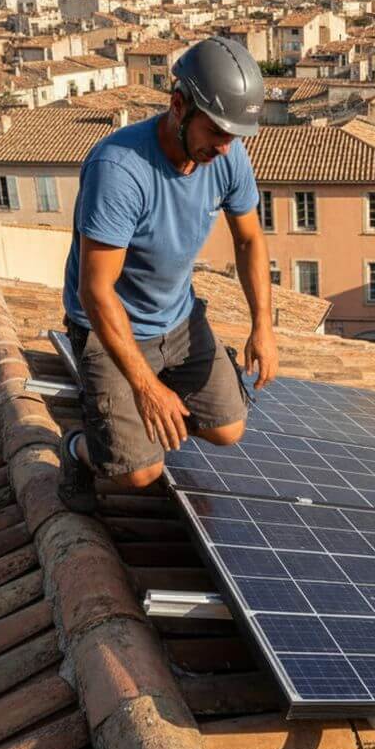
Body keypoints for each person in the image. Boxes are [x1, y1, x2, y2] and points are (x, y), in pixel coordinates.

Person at [57, 36, 278, 513]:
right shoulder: (119, 169)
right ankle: (78, 448)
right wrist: (146, 387)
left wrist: (263, 325)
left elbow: (249, 240)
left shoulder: (227, 155)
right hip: (109, 327)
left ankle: (144, 409)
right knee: (138, 473)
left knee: (229, 430)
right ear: (179, 106)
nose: (225, 146)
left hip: (178, 317)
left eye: (234, 136)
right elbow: (95, 293)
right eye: (217, 131)